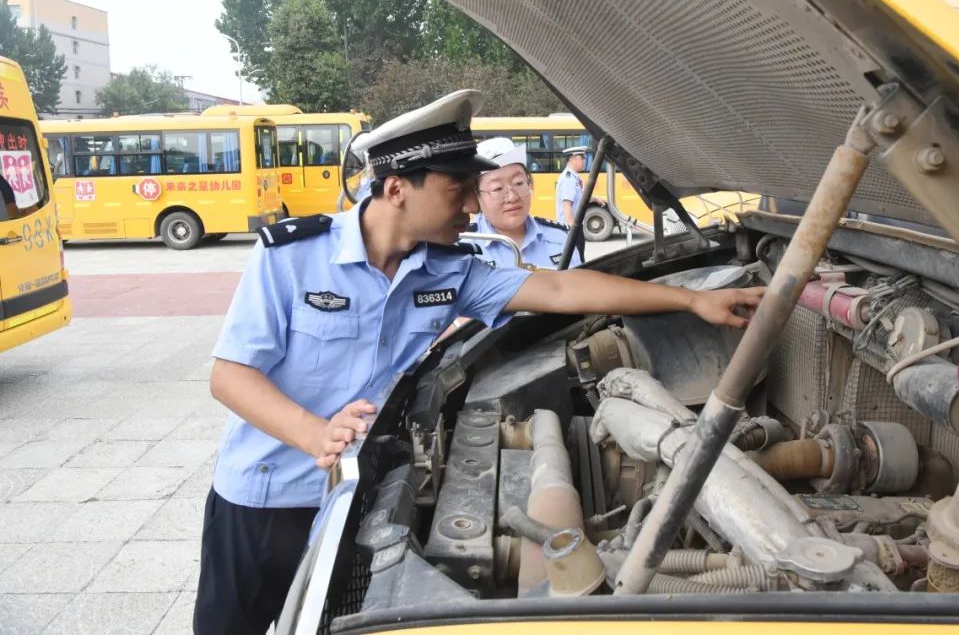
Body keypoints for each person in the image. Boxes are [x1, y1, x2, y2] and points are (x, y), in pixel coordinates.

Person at [194, 90, 765, 635]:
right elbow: (230, 375)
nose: (474, 205)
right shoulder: (293, 257)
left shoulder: (450, 268)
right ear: (397, 188)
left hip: (360, 499)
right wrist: (314, 433)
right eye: (459, 190)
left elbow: (563, 292)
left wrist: (691, 299)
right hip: (268, 502)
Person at [471, 137, 581, 269]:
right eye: (497, 189)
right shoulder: (463, 245)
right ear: (477, 195)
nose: (512, 197)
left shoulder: (561, 237)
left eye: (519, 183)